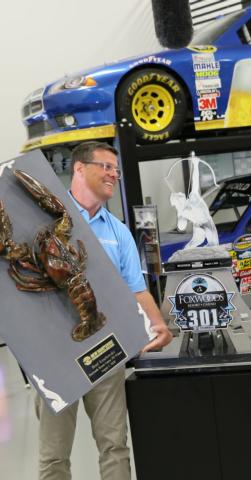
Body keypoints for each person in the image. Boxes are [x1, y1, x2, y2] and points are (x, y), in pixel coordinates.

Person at [35, 141, 172, 480]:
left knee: (114, 446)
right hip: (53, 355)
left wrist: (159, 325)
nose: (114, 175)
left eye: (116, 169)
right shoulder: (44, 220)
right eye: (106, 167)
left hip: (103, 351)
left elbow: (136, 289)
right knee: (53, 456)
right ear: (79, 169)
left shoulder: (119, 232)